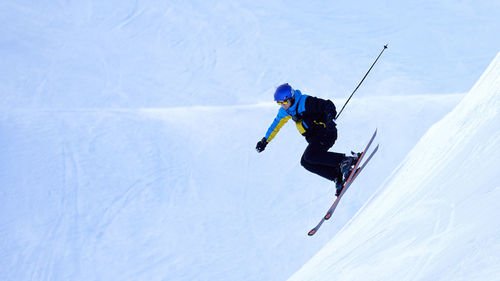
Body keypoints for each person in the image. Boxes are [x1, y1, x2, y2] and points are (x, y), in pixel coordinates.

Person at [255, 83, 359, 196]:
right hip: (315, 138)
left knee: (310, 156)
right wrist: (265, 140)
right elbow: (276, 125)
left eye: (284, 102)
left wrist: (330, 118)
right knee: (305, 162)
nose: (283, 105)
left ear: (291, 97)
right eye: (279, 103)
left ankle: (346, 160)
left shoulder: (306, 102)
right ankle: (336, 175)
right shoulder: (286, 111)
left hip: (326, 132)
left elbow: (327, 105)